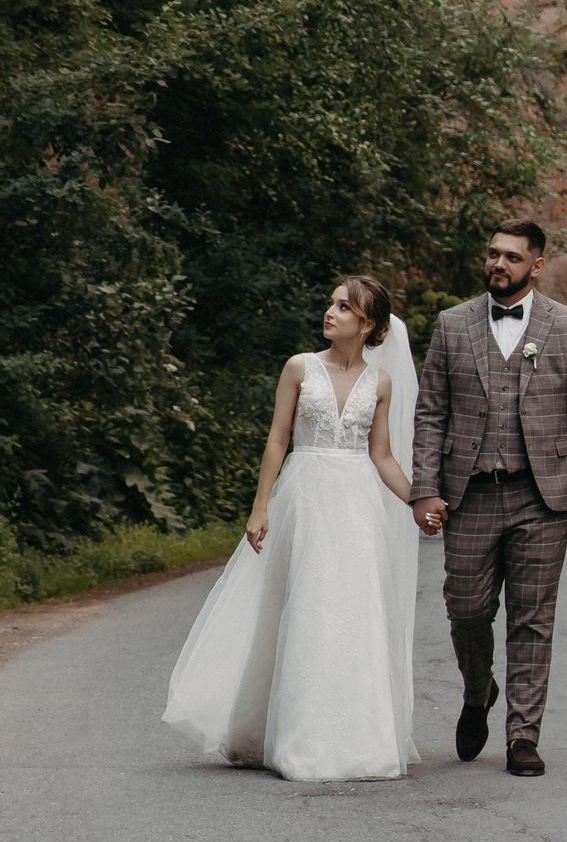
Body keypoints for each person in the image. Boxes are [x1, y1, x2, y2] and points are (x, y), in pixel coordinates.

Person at [163, 277, 421, 781]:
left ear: (367, 325)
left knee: (354, 612)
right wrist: (260, 507)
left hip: (357, 505)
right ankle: (296, 737)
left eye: (344, 307)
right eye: (331, 303)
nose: (330, 312)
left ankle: (358, 740)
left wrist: (419, 501)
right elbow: (277, 441)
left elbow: (382, 456)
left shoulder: (381, 383)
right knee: (306, 604)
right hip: (306, 497)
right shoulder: (300, 367)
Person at [409, 218, 567, 776]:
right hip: (470, 494)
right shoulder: (452, 324)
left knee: (532, 619)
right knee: (466, 609)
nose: (498, 264)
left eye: (511, 257)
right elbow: (430, 413)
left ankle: (523, 737)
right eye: (492, 254)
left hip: (541, 496)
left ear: (537, 265)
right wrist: (424, 490)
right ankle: (479, 690)